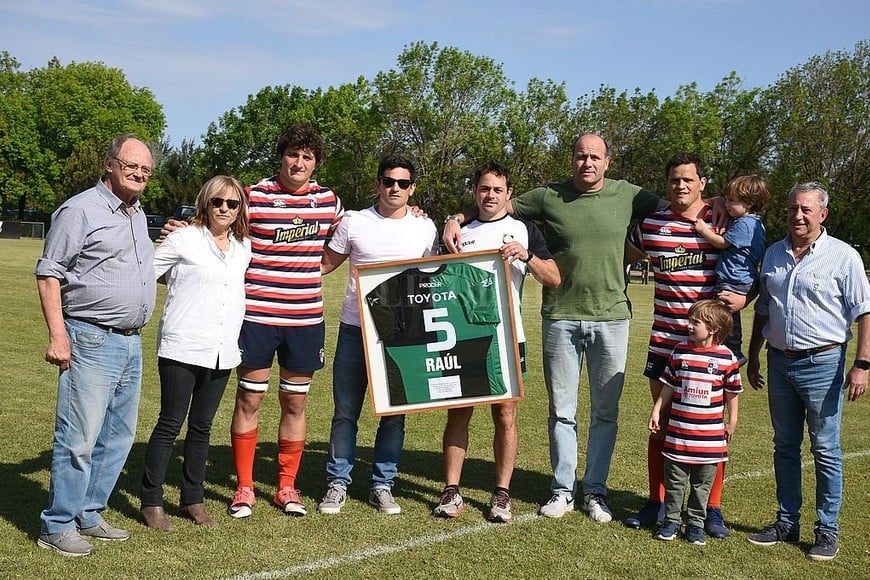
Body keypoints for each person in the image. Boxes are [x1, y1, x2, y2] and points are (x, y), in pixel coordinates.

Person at [443, 134, 667, 522]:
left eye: (595, 156)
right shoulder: (549, 196)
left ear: (607, 162)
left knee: (605, 413)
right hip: (560, 317)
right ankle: (562, 491)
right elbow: (495, 203)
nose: (587, 162)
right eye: (581, 156)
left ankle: (595, 492)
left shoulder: (629, 194)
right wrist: (456, 217)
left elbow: (675, 207)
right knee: (562, 412)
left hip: (613, 317)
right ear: (572, 160)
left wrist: (718, 212)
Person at [35, 135, 158, 556]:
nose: (140, 174)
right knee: (79, 437)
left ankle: (89, 511)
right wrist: (58, 335)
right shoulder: (80, 209)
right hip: (89, 337)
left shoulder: (136, 214)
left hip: (130, 343)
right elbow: (49, 272)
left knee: (117, 437)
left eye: (146, 169)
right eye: (131, 165)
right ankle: (57, 524)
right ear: (109, 164)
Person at [746, 182, 870, 562]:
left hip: (824, 363)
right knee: (784, 446)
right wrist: (753, 356)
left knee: (825, 448)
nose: (797, 216)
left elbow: (864, 312)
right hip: (779, 363)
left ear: (822, 214)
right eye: (792, 209)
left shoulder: (843, 257)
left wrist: (862, 364)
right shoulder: (772, 254)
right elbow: (763, 310)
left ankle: (827, 530)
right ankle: (786, 522)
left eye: (805, 209)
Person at [432, 161, 561, 523]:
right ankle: (451, 490)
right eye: (484, 189)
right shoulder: (457, 232)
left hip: (507, 337)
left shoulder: (523, 229)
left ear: (509, 194)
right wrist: (450, 222)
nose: (490, 195)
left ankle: (502, 493)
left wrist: (528, 255)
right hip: (461, 337)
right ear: (474, 191)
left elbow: (553, 278)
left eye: (497, 190)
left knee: (505, 415)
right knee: (458, 412)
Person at [625, 153, 745, 537]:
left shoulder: (723, 220)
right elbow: (618, 254)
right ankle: (657, 502)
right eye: (675, 180)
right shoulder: (650, 226)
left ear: (703, 182)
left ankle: (711, 508)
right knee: (661, 423)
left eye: (688, 180)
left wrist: (726, 206)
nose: (681, 186)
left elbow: (749, 260)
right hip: (665, 340)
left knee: (711, 428)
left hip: (711, 347)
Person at [316, 155, 438, 515]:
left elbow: (435, 275)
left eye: (402, 183)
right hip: (356, 329)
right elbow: (323, 265)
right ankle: (337, 482)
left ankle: (382, 484)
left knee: (395, 414)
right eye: (388, 181)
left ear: (412, 188)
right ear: (377, 184)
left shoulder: (424, 228)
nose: (394, 188)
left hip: (402, 335)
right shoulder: (354, 222)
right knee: (345, 413)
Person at [140, 176, 251, 531]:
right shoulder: (184, 238)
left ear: (239, 210)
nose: (224, 209)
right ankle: (152, 501)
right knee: (170, 423)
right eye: (218, 201)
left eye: (232, 204)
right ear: (205, 202)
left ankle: (193, 499)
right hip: (182, 345)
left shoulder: (242, 246)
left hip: (222, 351)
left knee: (202, 427)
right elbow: (148, 275)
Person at [649, 299, 741, 546]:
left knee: (702, 486)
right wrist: (657, 409)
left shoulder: (726, 358)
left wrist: (732, 421)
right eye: (690, 321)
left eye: (695, 322)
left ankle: (696, 525)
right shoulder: (680, 351)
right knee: (675, 482)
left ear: (712, 329)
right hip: (679, 436)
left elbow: (732, 394)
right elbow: (668, 385)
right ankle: (671, 521)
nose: (689, 326)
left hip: (709, 441)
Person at [693, 175, 770, 363]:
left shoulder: (745, 224)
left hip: (733, 279)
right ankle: (730, 348)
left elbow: (721, 243)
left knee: (725, 315)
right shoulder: (754, 223)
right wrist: (717, 201)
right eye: (726, 199)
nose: (727, 204)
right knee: (726, 314)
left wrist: (703, 230)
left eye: (732, 200)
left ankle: (734, 351)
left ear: (749, 202)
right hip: (739, 278)